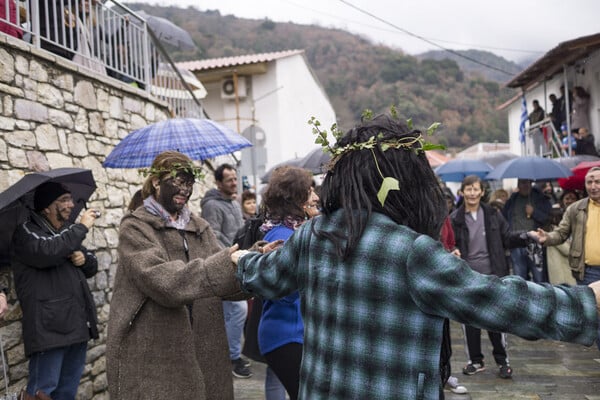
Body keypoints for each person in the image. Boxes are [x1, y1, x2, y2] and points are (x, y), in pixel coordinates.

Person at [231, 113, 600, 400]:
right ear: (407, 182)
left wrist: (239, 259)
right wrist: (588, 301)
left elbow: (267, 275)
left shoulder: (313, 234)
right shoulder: (412, 252)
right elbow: (501, 301)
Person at [106, 151, 248, 399]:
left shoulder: (199, 227)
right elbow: (165, 282)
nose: (185, 189)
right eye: (178, 182)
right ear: (157, 182)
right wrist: (225, 263)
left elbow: (226, 282)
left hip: (204, 347)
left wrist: (253, 262)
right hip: (156, 350)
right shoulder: (135, 227)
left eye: (189, 183)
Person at [11, 181, 99, 399]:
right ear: (46, 207)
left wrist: (83, 259)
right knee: (41, 392)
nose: (70, 205)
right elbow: (48, 251)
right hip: (48, 329)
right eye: (63, 200)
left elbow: (92, 265)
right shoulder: (27, 232)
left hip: (76, 324)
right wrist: (82, 227)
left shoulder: (67, 231)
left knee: (67, 392)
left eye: (70, 199)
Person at [451, 175, 530, 379]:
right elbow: (449, 243)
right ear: (462, 192)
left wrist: (526, 237)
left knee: (497, 320)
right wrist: (453, 250)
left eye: (475, 189)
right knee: (469, 321)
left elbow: (507, 237)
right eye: (468, 189)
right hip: (467, 277)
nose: (472, 193)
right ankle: (475, 361)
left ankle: (502, 361)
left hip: (493, 274)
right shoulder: (455, 218)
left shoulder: (493, 214)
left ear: (482, 192)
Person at [257, 166, 319, 400]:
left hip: (292, 333)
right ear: (295, 199)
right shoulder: (283, 236)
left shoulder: (295, 231)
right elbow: (284, 289)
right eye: (309, 191)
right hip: (287, 335)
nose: (316, 197)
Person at [200, 163, 252, 378]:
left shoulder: (233, 202)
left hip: (240, 261)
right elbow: (212, 236)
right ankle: (231, 358)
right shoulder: (212, 205)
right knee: (238, 310)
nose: (233, 182)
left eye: (234, 178)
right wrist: (228, 256)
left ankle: (226, 354)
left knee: (231, 313)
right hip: (226, 263)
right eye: (229, 179)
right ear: (218, 183)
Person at [531, 167, 600, 285]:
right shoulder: (575, 209)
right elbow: (561, 233)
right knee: (590, 304)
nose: (593, 187)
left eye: (597, 182)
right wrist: (547, 237)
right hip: (588, 272)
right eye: (589, 182)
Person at [502, 179, 552, 282]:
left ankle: (540, 298)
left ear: (531, 184)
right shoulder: (512, 200)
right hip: (516, 244)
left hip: (534, 244)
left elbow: (547, 218)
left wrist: (534, 212)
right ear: (518, 185)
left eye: (528, 183)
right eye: (522, 183)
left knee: (539, 279)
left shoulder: (540, 198)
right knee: (519, 280)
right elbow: (504, 218)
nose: (525, 186)